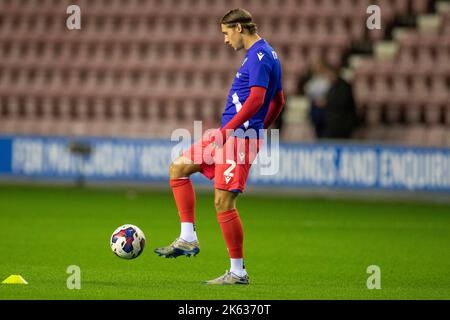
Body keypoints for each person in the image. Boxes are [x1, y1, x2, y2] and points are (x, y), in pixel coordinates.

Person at [154, 8, 285, 285]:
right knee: (178, 168)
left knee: (223, 201)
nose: (225, 40)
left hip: (236, 137)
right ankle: (187, 237)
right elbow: (279, 101)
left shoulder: (260, 57)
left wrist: (237, 132)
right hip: (231, 134)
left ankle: (238, 272)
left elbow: (256, 101)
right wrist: (260, 128)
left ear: (238, 28)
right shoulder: (266, 55)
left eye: (226, 33)